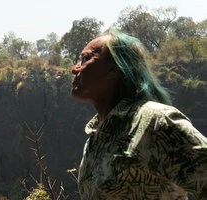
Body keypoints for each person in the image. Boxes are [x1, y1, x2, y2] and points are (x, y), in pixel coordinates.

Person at [71, 30, 207, 200]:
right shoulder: (95, 135)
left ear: (114, 68)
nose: (74, 69)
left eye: (85, 59)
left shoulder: (155, 121)